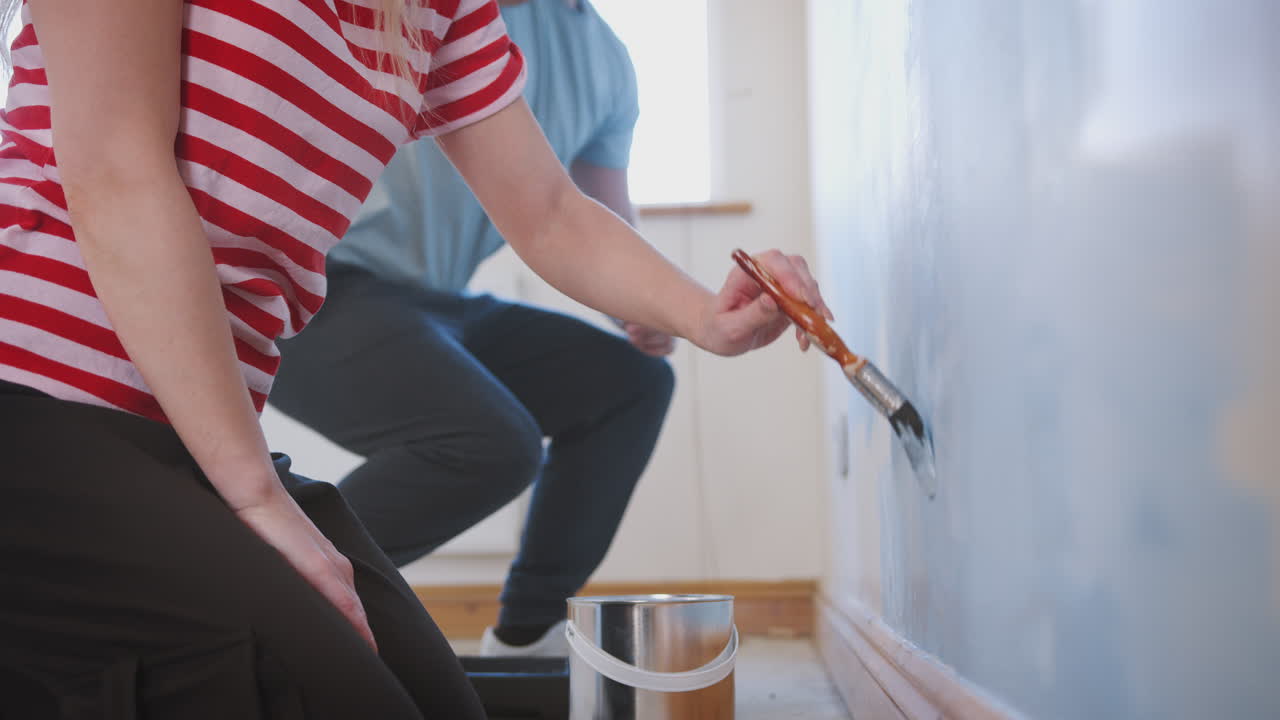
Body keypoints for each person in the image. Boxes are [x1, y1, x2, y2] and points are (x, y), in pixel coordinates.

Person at [0, 0, 829, 717]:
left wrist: (705, 318)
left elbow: (548, 212)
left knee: (430, 698)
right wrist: (256, 499)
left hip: (185, 429)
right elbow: (114, 171)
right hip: (32, 400)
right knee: (300, 684)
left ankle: (516, 628)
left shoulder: (440, 13)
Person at [270, 0, 674, 658]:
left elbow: (597, 213)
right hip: (317, 287)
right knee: (488, 443)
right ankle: (262, 602)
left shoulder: (606, 59)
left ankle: (526, 637)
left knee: (629, 383)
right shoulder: (434, 13)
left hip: (437, 301)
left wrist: (651, 305)